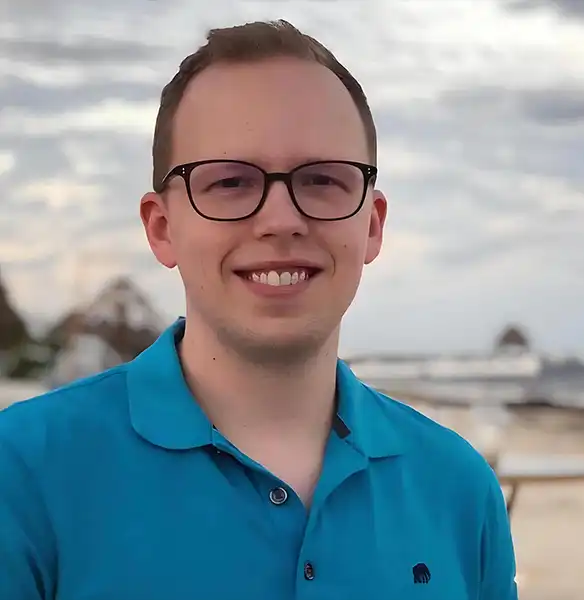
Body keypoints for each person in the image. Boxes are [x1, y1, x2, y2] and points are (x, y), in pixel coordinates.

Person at [0, 20, 518, 599]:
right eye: (229, 183)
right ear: (163, 228)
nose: (280, 220)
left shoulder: (458, 488)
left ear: (371, 225)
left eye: (322, 179)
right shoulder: (21, 473)